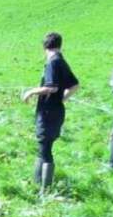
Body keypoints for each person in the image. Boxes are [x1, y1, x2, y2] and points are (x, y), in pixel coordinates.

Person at [19, 31, 80, 189]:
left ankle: (45, 190)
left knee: (45, 150)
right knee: (43, 147)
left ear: (45, 46)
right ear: (60, 45)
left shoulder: (53, 62)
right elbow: (75, 85)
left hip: (48, 113)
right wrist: (62, 99)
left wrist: (31, 92)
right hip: (56, 111)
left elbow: (51, 88)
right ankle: (37, 182)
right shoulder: (61, 61)